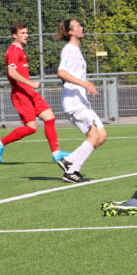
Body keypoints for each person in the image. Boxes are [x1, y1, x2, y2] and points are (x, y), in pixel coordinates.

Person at [0, 22, 67, 166]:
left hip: (29, 91)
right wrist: (31, 83)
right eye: (23, 33)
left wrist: (30, 86)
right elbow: (11, 72)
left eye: (27, 33)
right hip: (21, 94)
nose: (26, 35)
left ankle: (56, 153)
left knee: (50, 118)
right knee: (31, 128)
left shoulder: (20, 50)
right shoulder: (13, 50)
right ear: (14, 36)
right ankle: (1, 142)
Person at [54, 18, 106, 184]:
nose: (82, 28)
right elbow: (61, 72)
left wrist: (85, 84)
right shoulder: (69, 50)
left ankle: (69, 160)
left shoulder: (76, 50)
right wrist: (84, 84)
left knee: (101, 136)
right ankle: (72, 171)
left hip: (81, 101)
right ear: (70, 32)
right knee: (93, 135)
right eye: (78, 26)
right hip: (73, 101)